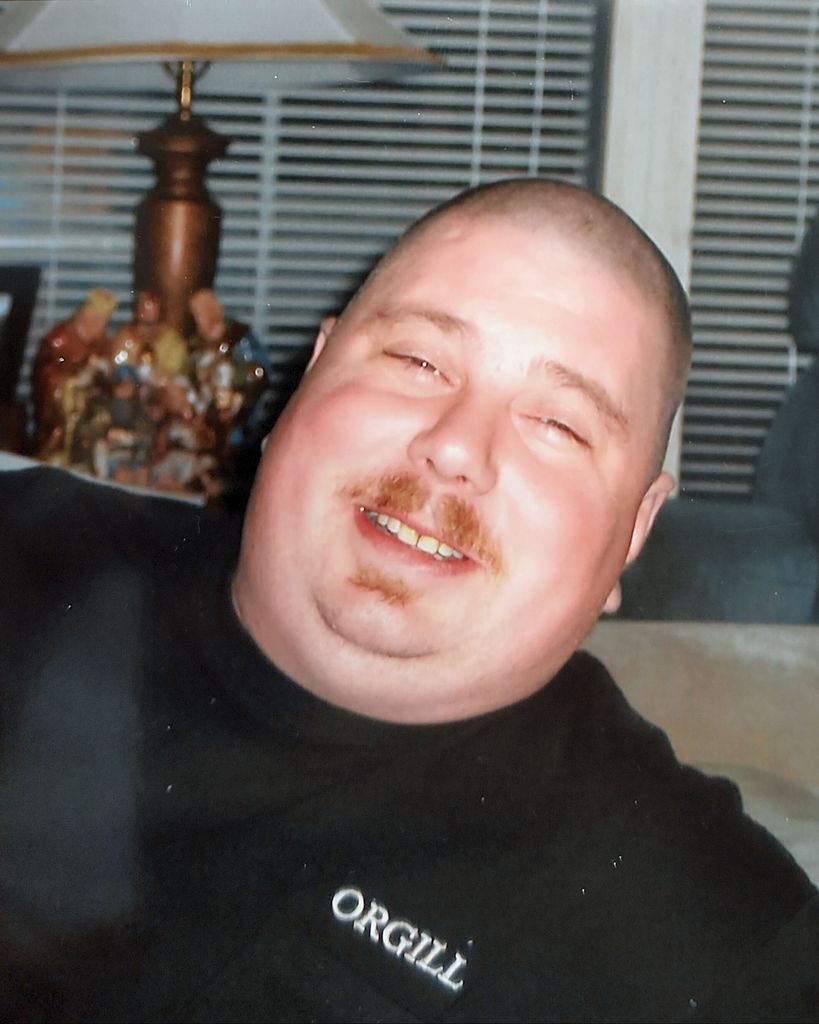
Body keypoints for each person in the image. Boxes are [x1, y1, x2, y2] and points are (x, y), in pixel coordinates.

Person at [0, 178, 816, 1023]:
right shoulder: (26, 554)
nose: (456, 447)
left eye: (560, 425)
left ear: (635, 531)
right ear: (311, 375)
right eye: (419, 363)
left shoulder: (711, 935)